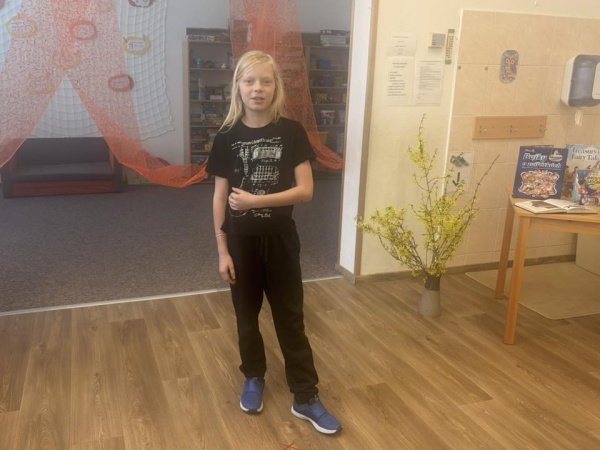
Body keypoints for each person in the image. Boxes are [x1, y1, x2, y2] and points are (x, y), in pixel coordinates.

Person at [205, 50, 342, 435]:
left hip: (281, 242)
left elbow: (306, 191)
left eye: (266, 81)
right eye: (249, 81)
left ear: (276, 87)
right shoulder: (226, 137)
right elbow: (219, 196)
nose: (257, 89)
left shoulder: (292, 132)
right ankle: (254, 376)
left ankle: (306, 396)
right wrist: (222, 250)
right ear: (238, 86)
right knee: (246, 317)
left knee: (290, 318)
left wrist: (255, 201)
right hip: (240, 244)